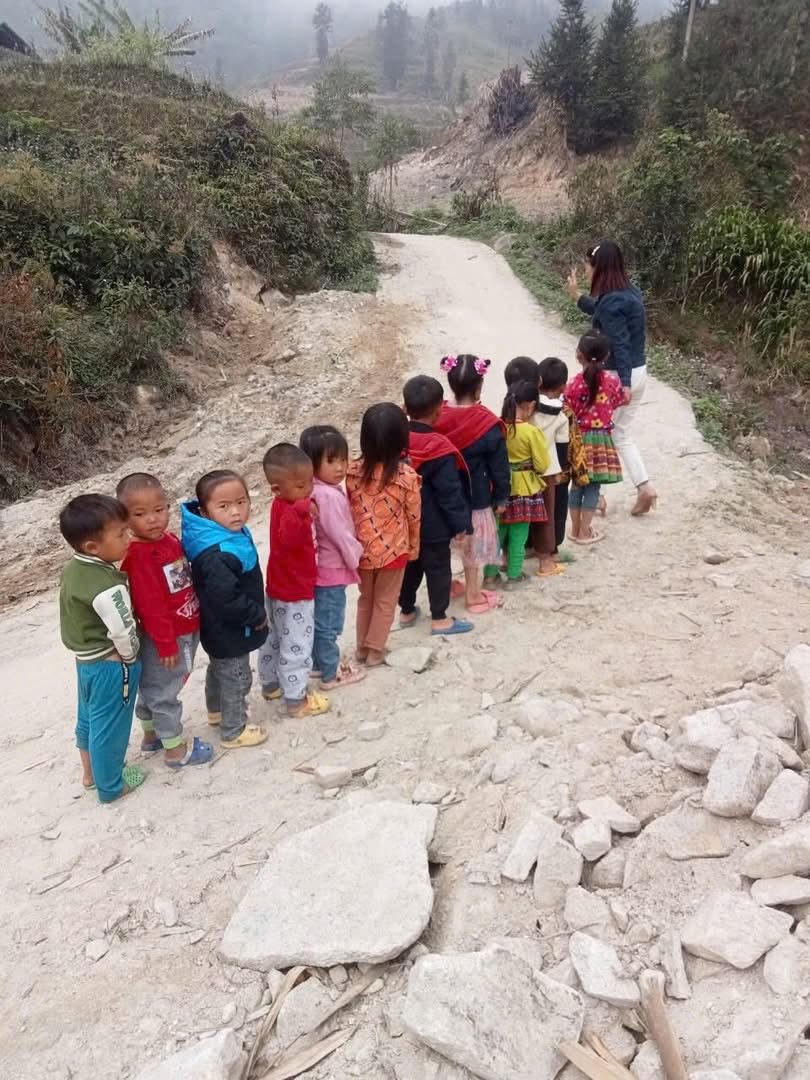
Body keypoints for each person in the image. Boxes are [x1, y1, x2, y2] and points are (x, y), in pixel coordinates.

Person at [117, 473, 213, 769]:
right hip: (168, 635)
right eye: (140, 514)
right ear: (125, 519)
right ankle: (175, 750)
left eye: (159, 510)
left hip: (184, 624)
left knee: (153, 684)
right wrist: (166, 642)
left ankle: (151, 737)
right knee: (165, 690)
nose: (152, 519)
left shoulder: (168, 540)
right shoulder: (138, 555)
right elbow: (150, 605)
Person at [58, 494, 145, 802]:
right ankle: (111, 786)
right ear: (92, 547)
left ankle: (91, 775)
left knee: (89, 719)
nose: (128, 538)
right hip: (111, 664)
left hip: (85, 661)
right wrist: (131, 658)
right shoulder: (108, 584)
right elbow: (123, 628)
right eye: (121, 534)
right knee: (110, 724)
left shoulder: (73, 569)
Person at [567, 240, 657, 515]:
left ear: (598, 267)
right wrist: (577, 296)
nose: (585, 269)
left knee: (597, 432)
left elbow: (620, 344)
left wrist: (624, 384)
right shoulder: (628, 292)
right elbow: (601, 310)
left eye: (587, 264)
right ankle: (644, 487)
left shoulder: (611, 301)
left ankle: (598, 498)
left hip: (619, 375)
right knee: (619, 433)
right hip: (639, 371)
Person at [181, 470, 268, 748]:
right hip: (231, 628)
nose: (236, 512)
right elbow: (227, 598)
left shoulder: (222, 534)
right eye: (224, 506)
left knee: (220, 670)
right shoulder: (217, 553)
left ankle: (217, 712)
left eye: (241, 502)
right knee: (237, 677)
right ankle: (234, 729)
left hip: (217, 627)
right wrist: (255, 615)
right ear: (205, 512)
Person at [346, 403, 421, 666]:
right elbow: (414, 517)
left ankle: (361, 649)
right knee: (386, 601)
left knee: (365, 599)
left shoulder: (351, 472)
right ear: (402, 439)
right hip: (394, 551)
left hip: (360, 551)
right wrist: (414, 548)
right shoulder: (406, 477)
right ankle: (376, 651)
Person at [259, 444, 331, 718]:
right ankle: (296, 699)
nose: (308, 489)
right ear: (276, 489)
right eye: (301, 486)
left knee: (275, 639)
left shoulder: (282, 504)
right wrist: (303, 509)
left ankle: (271, 684)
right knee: (297, 644)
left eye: (310, 482)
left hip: (279, 584)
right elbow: (288, 538)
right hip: (295, 591)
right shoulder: (291, 510)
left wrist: (301, 504)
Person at [400, 375, 474, 636]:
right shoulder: (439, 447)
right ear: (439, 409)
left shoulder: (397, 439)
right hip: (434, 525)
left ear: (405, 408)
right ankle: (440, 618)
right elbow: (449, 493)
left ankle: (407, 611)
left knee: (410, 566)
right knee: (438, 569)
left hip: (404, 522)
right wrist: (461, 525)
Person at [435, 354, 509, 611]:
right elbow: (499, 467)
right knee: (471, 547)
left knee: (442, 543)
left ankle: (445, 586)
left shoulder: (437, 416)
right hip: (475, 496)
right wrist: (502, 496)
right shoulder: (487, 423)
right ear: (479, 388)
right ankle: (473, 595)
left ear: (450, 383)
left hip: (441, 496)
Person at [299, 425, 366, 691]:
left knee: (319, 622)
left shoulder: (312, 491)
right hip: (332, 570)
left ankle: (318, 665)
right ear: (311, 463)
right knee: (329, 625)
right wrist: (357, 556)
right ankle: (330, 674)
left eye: (343, 459)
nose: (340, 467)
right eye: (331, 461)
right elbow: (341, 535)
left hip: (318, 570)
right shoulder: (328, 496)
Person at [484, 381, 550, 589]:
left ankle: (489, 577)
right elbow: (542, 464)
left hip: (499, 488)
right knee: (519, 535)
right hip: (524, 488)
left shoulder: (497, 427)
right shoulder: (531, 432)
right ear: (531, 406)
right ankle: (514, 576)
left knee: (497, 533)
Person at [566, 332, 625, 544]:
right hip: (601, 442)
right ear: (606, 356)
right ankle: (585, 532)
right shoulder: (612, 382)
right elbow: (619, 400)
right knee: (593, 487)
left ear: (578, 355)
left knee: (577, 485)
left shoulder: (574, 384)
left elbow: (568, 410)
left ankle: (574, 530)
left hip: (579, 440)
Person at [535, 357, 571, 575]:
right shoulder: (562, 416)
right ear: (563, 387)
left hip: (527, 470)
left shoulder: (527, 408)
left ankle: (522, 550)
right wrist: (561, 471)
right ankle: (549, 556)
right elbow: (562, 448)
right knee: (550, 513)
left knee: (524, 510)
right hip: (550, 472)